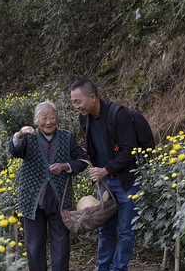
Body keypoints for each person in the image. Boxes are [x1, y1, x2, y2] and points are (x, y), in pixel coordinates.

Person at [70, 79, 141, 271]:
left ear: (92, 97)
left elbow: (129, 150)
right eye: (73, 102)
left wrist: (105, 170)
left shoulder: (118, 115)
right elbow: (94, 143)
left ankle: (117, 269)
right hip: (105, 184)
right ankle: (103, 268)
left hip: (127, 182)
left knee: (126, 231)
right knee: (105, 229)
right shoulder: (84, 118)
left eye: (78, 101)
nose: (76, 106)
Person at [8, 101, 88, 271]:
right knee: (34, 246)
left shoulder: (67, 137)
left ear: (57, 119)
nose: (49, 122)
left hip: (59, 200)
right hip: (33, 201)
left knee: (61, 245)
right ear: (36, 120)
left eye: (52, 117)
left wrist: (65, 166)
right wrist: (20, 134)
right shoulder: (28, 138)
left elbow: (82, 161)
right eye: (44, 118)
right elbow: (14, 150)